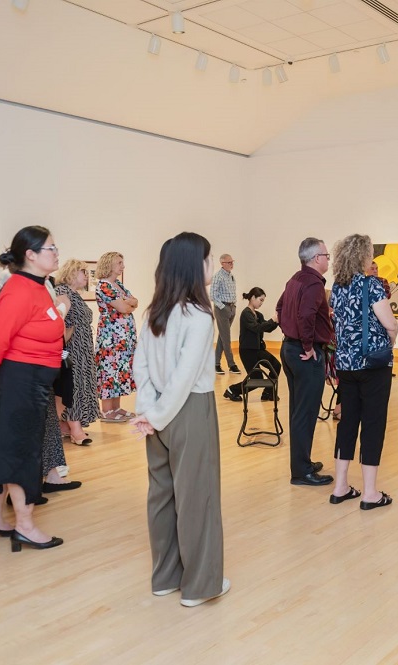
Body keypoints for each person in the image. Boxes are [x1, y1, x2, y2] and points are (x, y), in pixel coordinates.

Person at [130, 232, 229, 607]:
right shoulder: (199, 316)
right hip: (188, 411)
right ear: (194, 264)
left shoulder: (156, 309)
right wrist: (154, 413)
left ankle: (165, 578)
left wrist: (148, 411)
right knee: (196, 497)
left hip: (157, 415)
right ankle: (201, 585)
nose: (211, 264)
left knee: (162, 495)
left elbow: (141, 365)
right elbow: (186, 378)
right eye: (208, 258)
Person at [0, 225, 65, 552]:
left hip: (30, 381)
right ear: (31, 254)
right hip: (20, 382)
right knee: (22, 451)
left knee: (6, 447)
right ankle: (25, 526)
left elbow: (46, 324)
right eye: (51, 248)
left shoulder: (37, 286)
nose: (57, 253)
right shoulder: (20, 289)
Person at [328, 234, 398, 510]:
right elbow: (389, 323)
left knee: (347, 423)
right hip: (373, 365)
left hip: (345, 365)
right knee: (373, 423)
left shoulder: (338, 286)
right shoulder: (372, 286)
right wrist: (391, 341)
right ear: (363, 256)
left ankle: (340, 487)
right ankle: (370, 493)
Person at [276, 238, 334, 486]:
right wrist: (309, 346)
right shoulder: (311, 283)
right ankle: (301, 472)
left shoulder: (295, 279)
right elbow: (306, 316)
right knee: (306, 413)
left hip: (289, 349)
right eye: (326, 254)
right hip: (303, 353)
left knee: (299, 412)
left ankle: (303, 463)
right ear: (316, 258)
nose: (328, 258)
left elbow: (279, 308)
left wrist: (292, 335)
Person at [54, 259, 100, 444]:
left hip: (83, 351)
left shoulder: (74, 294)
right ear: (72, 272)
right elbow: (59, 324)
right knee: (74, 388)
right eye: (83, 271)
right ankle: (76, 429)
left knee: (81, 386)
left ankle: (66, 425)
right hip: (73, 351)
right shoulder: (62, 292)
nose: (87, 275)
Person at [95, 251, 138, 422]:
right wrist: (128, 302)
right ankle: (106, 410)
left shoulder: (118, 284)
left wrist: (129, 302)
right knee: (109, 370)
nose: (123, 266)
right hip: (111, 337)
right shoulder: (104, 285)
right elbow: (124, 308)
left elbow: (135, 301)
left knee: (120, 370)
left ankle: (116, 407)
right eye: (119, 263)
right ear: (109, 265)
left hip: (123, 338)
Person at [222, 287, 280, 402]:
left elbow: (266, 328)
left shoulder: (258, 315)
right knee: (256, 379)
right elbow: (257, 328)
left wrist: (277, 321)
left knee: (276, 366)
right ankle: (232, 390)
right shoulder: (246, 314)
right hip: (247, 351)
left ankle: (267, 393)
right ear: (253, 298)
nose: (262, 303)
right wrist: (273, 320)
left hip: (258, 349)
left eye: (263, 301)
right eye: (261, 300)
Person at [210, 254, 241, 376]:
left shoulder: (231, 276)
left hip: (231, 308)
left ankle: (216, 364)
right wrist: (223, 308)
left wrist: (233, 307)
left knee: (222, 337)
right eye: (229, 262)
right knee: (226, 338)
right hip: (222, 309)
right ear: (222, 263)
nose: (232, 264)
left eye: (232, 262)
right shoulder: (218, 277)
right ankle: (231, 364)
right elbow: (212, 296)